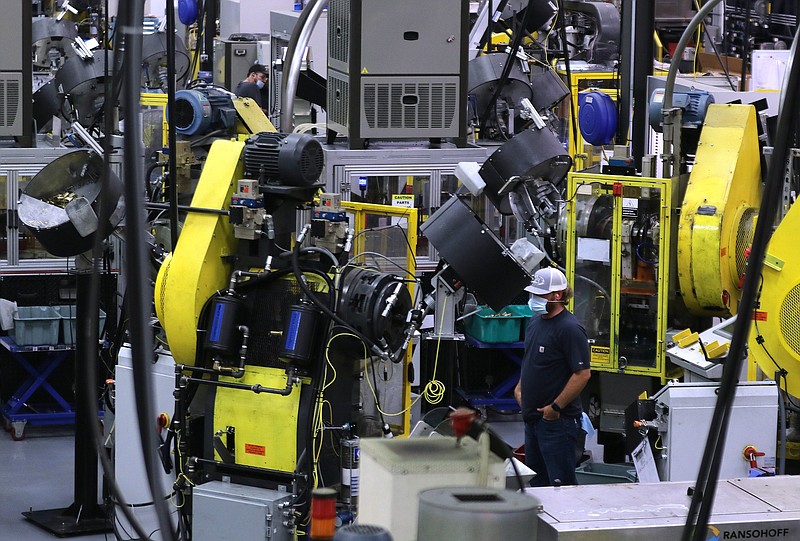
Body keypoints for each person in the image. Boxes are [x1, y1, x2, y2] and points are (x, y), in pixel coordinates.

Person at [514, 267, 591, 487]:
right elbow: (531, 360)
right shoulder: (535, 322)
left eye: (539, 294)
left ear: (557, 295)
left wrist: (555, 409)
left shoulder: (570, 328)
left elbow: (582, 374)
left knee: (561, 487)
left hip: (557, 423)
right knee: (538, 484)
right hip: (533, 420)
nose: (533, 299)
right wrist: (520, 389)